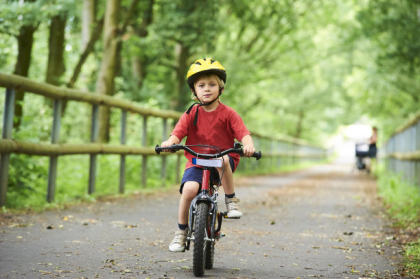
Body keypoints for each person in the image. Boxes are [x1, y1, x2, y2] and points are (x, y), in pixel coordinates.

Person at [161, 57, 256, 252]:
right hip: (196, 160)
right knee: (188, 190)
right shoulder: (191, 113)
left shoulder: (228, 113)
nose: (206, 88)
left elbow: (243, 134)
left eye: (212, 84)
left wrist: (248, 145)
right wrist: (170, 143)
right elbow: (177, 133)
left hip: (223, 161)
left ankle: (231, 201)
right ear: (194, 91)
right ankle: (181, 232)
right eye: (201, 85)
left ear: (220, 89)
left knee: (222, 160)